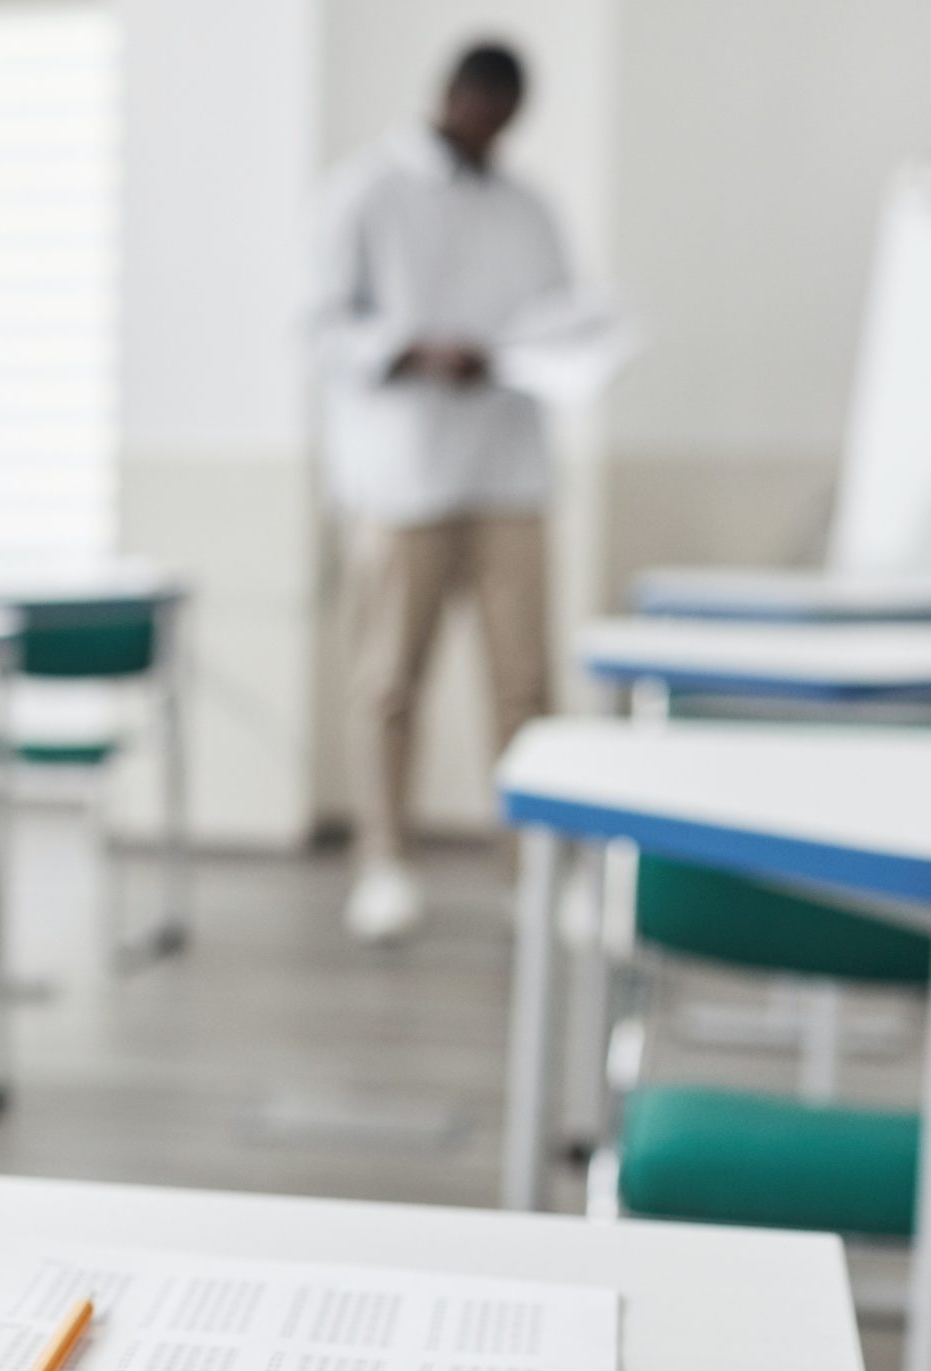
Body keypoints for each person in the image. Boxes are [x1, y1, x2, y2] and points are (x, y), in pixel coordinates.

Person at [312, 41, 568, 944]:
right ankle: (384, 863)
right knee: (388, 681)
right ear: (455, 96)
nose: (493, 133)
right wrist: (416, 352)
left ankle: (532, 872)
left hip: (508, 470)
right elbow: (319, 327)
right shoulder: (366, 191)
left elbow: (559, 320)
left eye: (509, 122)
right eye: (484, 113)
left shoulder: (530, 207)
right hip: (402, 478)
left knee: (524, 684)